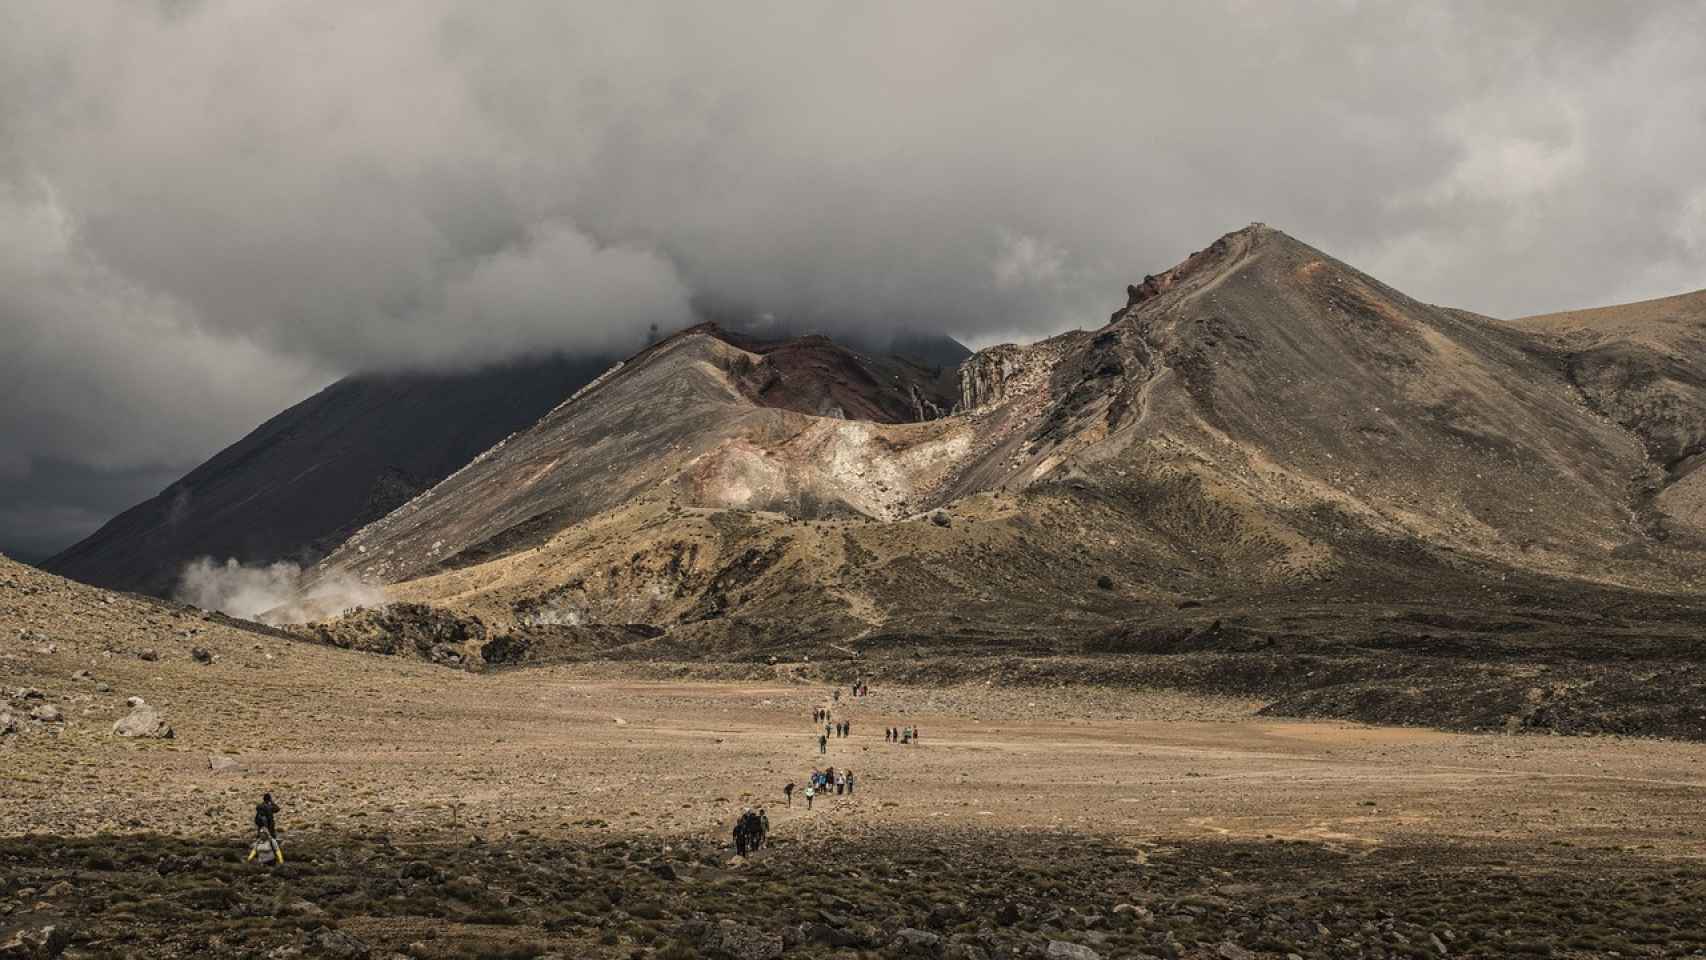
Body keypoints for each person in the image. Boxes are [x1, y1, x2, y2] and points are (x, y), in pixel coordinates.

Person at [248, 793, 283, 865]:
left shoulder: (260, 806)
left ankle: (256, 857)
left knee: (259, 843)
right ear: (269, 799)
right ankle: (275, 859)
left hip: (262, 828)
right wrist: (272, 802)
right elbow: (277, 809)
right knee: (273, 843)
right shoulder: (269, 807)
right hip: (269, 827)